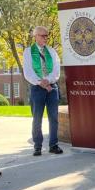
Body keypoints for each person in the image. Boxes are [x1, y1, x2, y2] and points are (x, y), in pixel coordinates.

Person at [23, 26, 63, 156]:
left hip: (52, 88)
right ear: (35, 36)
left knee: (54, 118)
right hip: (37, 89)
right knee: (37, 118)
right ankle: (38, 146)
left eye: (47, 36)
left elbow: (56, 71)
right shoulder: (28, 52)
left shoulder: (52, 51)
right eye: (43, 35)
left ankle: (53, 145)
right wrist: (40, 82)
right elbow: (28, 72)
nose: (46, 38)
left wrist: (48, 80)